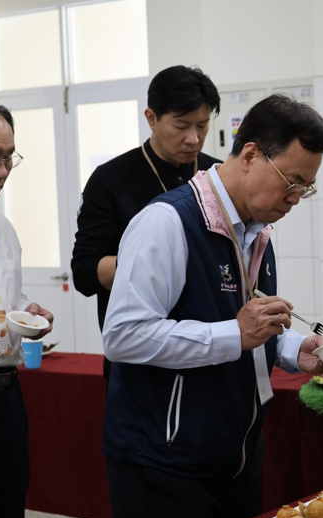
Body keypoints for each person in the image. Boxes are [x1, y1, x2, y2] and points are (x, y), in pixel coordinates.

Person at [101, 94, 323, 518]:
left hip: (237, 456)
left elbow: (242, 325)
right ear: (250, 154)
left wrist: (290, 348)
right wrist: (235, 333)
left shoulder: (257, 230)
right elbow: (123, 336)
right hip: (165, 463)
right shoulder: (167, 221)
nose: (297, 198)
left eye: (306, 187)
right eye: (292, 181)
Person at [71, 65, 221, 381]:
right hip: (140, 361)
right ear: (151, 118)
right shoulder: (110, 179)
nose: (193, 138)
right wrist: (156, 263)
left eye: (203, 126)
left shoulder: (218, 177)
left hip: (212, 350)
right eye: (181, 125)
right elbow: (85, 272)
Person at [0, 100, 54, 518]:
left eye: (9, 157)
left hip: (5, 391)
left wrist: (26, 311)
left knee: (7, 506)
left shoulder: (4, 228)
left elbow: (5, 298)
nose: (2, 170)